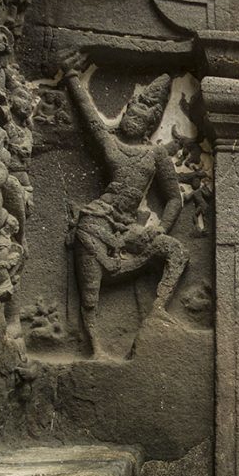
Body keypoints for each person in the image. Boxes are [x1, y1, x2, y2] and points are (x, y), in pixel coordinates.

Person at [60, 50, 188, 358]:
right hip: (96, 222)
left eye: (140, 117)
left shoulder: (155, 155)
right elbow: (89, 116)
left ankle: (157, 309)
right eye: (130, 113)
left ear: (151, 124)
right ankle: (95, 349)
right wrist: (71, 77)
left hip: (129, 229)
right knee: (90, 296)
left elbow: (174, 198)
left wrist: (159, 230)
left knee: (176, 251)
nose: (132, 119)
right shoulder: (109, 142)